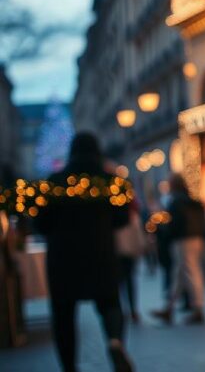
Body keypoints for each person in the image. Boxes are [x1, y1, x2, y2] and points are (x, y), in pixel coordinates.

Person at [34, 133, 134, 372]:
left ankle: (69, 366)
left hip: (63, 259)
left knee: (64, 315)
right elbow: (122, 219)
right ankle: (114, 340)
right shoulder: (110, 182)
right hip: (101, 254)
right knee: (110, 303)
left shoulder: (55, 182)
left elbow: (41, 225)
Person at [151, 175, 205, 325]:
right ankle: (169, 308)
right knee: (181, 273)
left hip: (183, 240)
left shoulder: (176, 202)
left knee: (190, 272)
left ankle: (198, 309)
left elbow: (174, 224)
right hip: (196, 238)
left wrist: (164, 232)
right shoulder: (192, 201)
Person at [114, 198, 145, 323]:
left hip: (118, 253)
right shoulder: (133, 216)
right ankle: (132, 310)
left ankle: (123, 309)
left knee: (120, 282)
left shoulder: (115, 216)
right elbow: (138, 235)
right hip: (129, 253)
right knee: (129, 281)